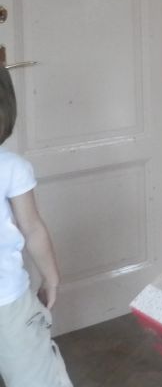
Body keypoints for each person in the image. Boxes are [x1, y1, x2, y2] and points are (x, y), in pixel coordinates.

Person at [0, 67, 72, 387]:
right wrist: (51, 278)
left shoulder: (11, 168)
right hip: (8, 303)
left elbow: (33, 230)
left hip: (7, 300)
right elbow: (32, 229)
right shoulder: (11, 167)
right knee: (35, 378)